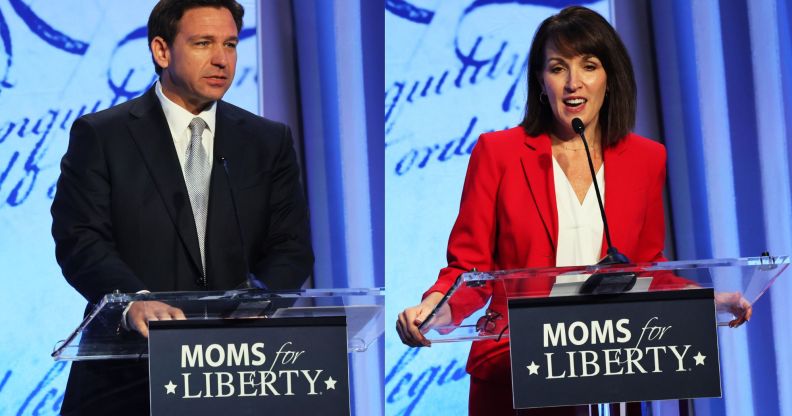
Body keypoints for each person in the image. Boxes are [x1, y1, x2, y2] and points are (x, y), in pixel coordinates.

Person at [396, 6, 749, 416]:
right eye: (558, 68)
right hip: (516, 371)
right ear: (541, 84)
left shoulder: (646, 159)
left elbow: (647, 270)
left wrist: (704, 300)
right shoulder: (499, 154)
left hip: (611, 365)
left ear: (610, 79)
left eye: (589, 66)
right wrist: (434, 308)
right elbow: (469, 268)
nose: (573, 83)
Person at [51, 0, 313, 414]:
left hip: (237, 371)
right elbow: (80, 239)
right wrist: (131, 299)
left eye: (230, 44)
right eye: (203, 43)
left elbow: (291, 246)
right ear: (161, 50)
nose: (221, 59)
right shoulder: (103, 136)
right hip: (129, 372)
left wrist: (257, 303)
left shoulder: (267, 142)